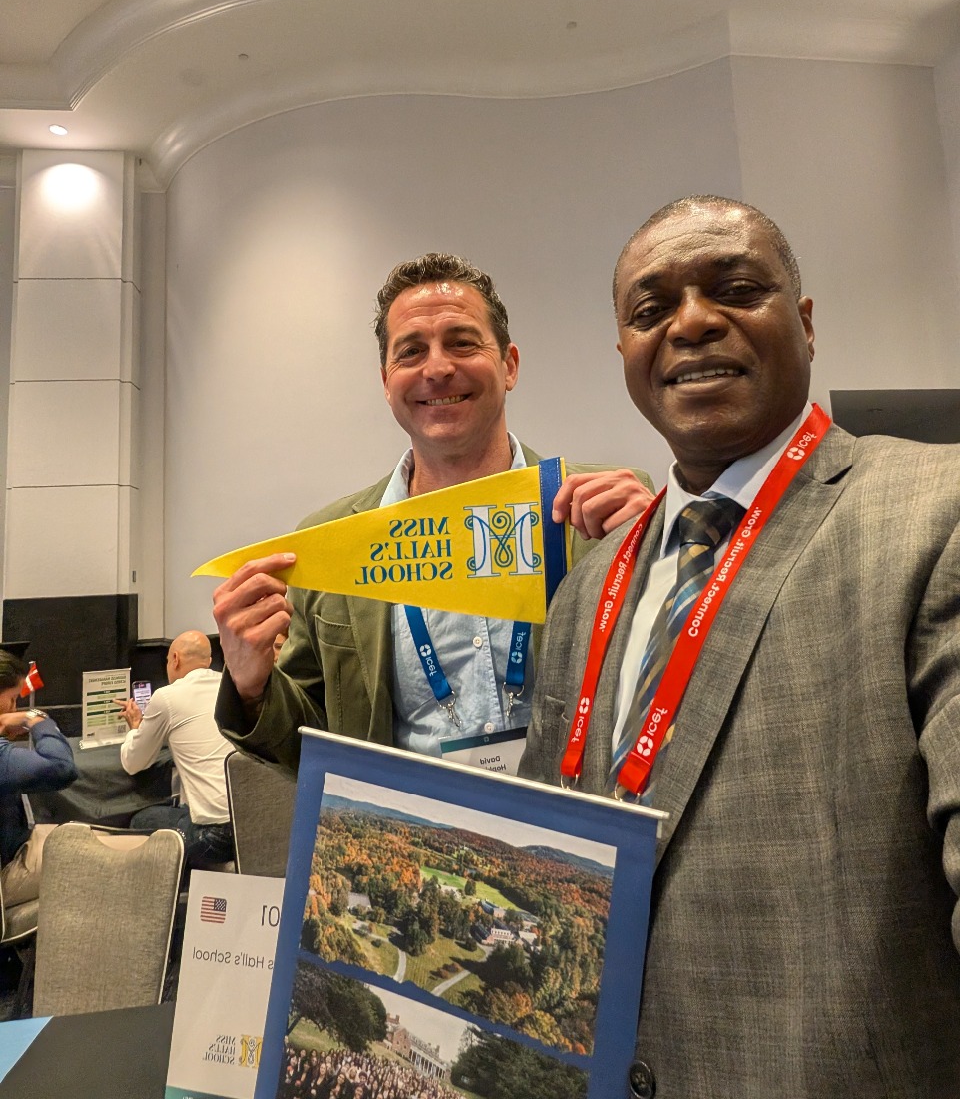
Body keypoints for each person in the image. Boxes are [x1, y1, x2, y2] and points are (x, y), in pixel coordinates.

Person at [519, 194, 960, 1097]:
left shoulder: (936, 514)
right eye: (651, 309)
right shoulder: (586, 588)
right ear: (625, 352)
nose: (690, 323)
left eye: (735, 288)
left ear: (806, 322)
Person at [213, 253, 653, 771]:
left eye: (462, 343)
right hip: (410, 822)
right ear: (386, 381)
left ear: (509, 365)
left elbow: (677, 692)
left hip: (577, 814)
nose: (438, 368)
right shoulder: (331, 543)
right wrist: (252, 688)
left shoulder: (610, 513)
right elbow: (311, 748)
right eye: (412, 351)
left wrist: (669, 556)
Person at [118, 630, 234, 868]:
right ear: (208, 661)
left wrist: (135, 728)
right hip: (248, 826)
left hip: (213, 837)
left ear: (175, 659)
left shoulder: (167, 697)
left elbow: (133, 762)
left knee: (140, 820)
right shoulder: (230, 687)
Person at [0, 650, 77, 906]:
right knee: (111, 855)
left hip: (15, 848)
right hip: (7, 870)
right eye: (12, 699)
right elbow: (61, 767)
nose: (14, 708)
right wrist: (35, 718)